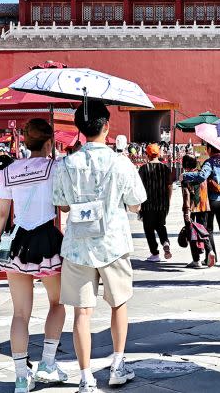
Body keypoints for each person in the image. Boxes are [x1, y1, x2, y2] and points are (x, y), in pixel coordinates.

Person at [53, 101, 146, 393]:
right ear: (106, 126)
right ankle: (117, 366)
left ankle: (85, 377)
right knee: (118, 304)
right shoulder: (121, 162)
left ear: (79, 129)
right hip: (113, 242)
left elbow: (62, 203)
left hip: (78, 244)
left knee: (82, 312)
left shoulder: (66, 164)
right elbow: (135, 202)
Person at [0, 119, 67, 392]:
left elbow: (2, 211)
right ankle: (47, 362)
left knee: (20, 313)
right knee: (57, 303)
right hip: (47, 239)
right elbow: (63, 204)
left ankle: (21, 377)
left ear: (24, 142)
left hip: (18, 241)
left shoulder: (9, 171)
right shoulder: (55, 167)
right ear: (49, 143)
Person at [181, 144, 220, 262]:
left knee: (208, 229)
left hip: (212, 200)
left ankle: (210, 256)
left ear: (209, 149)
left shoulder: (209, 162)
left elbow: (201, 176)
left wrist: (185, 175)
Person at [137, 143, 173, 262]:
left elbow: (139, 187)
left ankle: (155, 253)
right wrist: (168, 200)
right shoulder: (166, 169)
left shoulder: (143, 169)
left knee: (149, 229)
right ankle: (165, 242)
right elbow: (169, 186)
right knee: (161, 225)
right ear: (158, 154)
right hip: (162, 203)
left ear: (147, 154)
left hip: (147, 204)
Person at [180, 154, 213, 268]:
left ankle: (196, 260)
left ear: (185, 165)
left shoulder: (186, 177)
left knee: (192, 234)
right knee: (203, 231)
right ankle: (210, 251)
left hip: (192, 208)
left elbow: (186, 195)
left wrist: (186, 212)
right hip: (204, 207)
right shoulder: (201, 174)